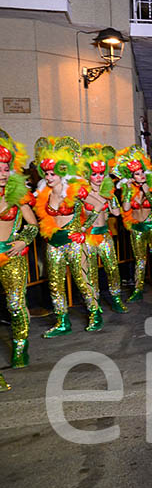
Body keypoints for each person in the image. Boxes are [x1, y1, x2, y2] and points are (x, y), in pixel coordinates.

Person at [33, 137, 103, 336]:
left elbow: (98, 205)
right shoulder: (43, 192)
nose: (49, 177)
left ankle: (95, 314)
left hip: (73, 241)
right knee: (55, 284)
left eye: (53, 173)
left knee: (82, 280)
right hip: (53, 243)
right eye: (46, 173)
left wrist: (84, 229)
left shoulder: (73, 189)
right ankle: (62, 321)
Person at [0, 129, 38, 367]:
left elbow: (33, 224)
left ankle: (20, 347)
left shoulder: (18, 193)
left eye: (5, 168)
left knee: (15, 304)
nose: (3, 173)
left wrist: (24, 240)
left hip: (12, 255)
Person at [113, 145, 152, 301]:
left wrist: (147, 192)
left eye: (142, 173)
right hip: (137, 228)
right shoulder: (128, 189)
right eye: (137, 174)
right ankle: (138, 290)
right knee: (140, 260)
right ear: (132, 176)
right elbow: (125, 208)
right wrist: (126, 190)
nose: (141, 176)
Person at [81, 144, 128, 314]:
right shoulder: (82, 193)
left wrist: (111, 197)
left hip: (105, 235)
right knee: (91, 272)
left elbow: (116, 212)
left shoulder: (107, 192)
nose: (99, 177)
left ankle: (116, 299)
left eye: (101, 173)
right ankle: (95, 304)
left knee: (112, 268)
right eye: (95, 174)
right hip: (88, 238)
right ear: (88, 175)